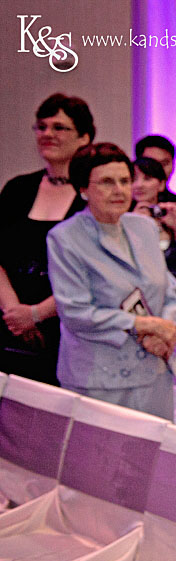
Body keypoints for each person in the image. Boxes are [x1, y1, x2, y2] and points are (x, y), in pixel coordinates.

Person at [47, 143, 176, 420]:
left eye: (124, 180)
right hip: (100, 379)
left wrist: (166, 331)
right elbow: (75, 312)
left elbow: (169, 288)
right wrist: (142, 325)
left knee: (152, 458)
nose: (120, 190)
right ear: (83, 189)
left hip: (155, 368)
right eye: (107, 182)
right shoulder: (65, 238)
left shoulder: (143, 227)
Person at [0, 93, 94, 384]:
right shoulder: (18, 188)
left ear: (84, 138)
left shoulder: (93, 197)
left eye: (59, 127)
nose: (47, 134)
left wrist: (37, 314)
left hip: (65, 330)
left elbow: (96, 272)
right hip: (8, 322)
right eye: (41, 127)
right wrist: (14, 312)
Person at [131, 156, 176, 327]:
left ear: (161, 184)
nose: (139, 185)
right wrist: (137, 227)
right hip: (135, 304)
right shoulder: (123, 221)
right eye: (133, 179)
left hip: (174, 302)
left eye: (147, 178)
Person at [135, 134, 176, 252]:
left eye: (164, 163)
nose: (158, 170)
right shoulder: (122, 208)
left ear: (173, 165)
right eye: (151, 164)